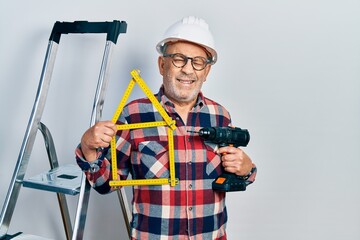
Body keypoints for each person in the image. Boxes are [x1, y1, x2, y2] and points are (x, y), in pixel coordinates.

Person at [75, 16, 256, 240]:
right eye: (179, 59)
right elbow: (104, 183)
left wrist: (247, 169)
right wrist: (88, 147)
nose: (188, 70)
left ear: (206, 72)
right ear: (162, 65)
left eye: (198, 62)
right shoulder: (134, 115)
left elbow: (234, 175)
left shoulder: (220, 116)